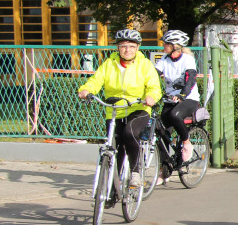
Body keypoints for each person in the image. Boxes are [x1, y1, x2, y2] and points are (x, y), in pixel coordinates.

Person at [78, 29, 163, 189]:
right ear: (118, 47)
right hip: (114, 110)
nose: (127, 50)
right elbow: (96, 80)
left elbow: (154, 86)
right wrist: (86, 90)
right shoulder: (109, 64)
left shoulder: (145, 65)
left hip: (138, 108)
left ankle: (135, 172)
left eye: (131, 46)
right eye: (123, 46)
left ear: (137, 48)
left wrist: (151, 97)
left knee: (129, 133)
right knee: (115, 146)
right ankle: (111, 190)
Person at [154, 30, 200, 183]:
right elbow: (153, 75)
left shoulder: (187, 59)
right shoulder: (164, 59)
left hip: (189, 99)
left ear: (176, 46)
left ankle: (186, 143)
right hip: (170, 100)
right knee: (160, 132)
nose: (163, 46)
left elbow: (190, 79)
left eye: (166, 44)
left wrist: (182, 94)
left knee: (175, 115)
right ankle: (165, 169)